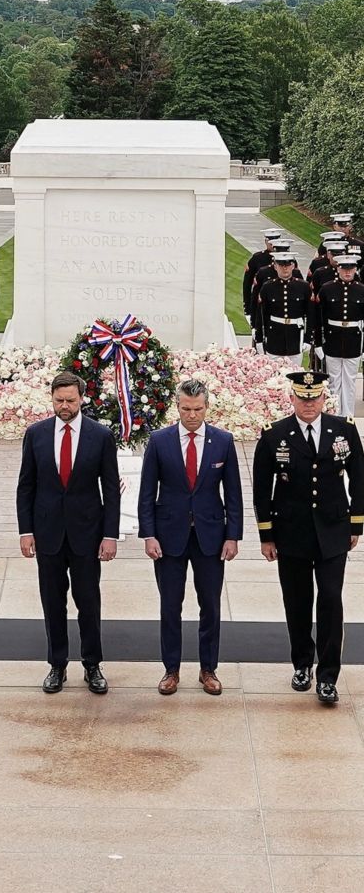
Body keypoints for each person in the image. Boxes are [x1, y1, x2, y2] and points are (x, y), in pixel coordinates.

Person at [252, 370, 364, 704]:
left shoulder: (344, 430)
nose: (309, 404)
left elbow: (359, 478)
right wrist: (267, 535)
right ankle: (302, 664)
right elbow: (262, 490)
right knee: (297, 602)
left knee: (330, 599)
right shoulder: (274, 434)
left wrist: (356, 525)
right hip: (292, 533)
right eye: (302, 398)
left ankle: (328, 676)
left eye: (315, 398)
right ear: (292, 398)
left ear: (324, 398)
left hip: (333, 531)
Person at [16, 370, 121, 695]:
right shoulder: (35, 434)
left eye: (70, 401)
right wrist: (25, 530)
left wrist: (110, 535)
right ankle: (57, 664)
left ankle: (92, 664)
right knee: (52, 601)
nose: (65, 406)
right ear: (52, 398)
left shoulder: (100, 436)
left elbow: (111, 489)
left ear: (81, 399)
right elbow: (26, 486)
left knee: (88, 601)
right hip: (47, 533)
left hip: (86, 534)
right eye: (59, 400)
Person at [137, 378, 243, 697]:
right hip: (169, 537)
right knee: (170, 605)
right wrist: (149, 534)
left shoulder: (223, 441)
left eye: (198, 409)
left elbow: (234, 493)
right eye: (186, 409)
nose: (192, 415)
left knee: (210, 605)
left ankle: (208, 669)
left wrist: (233, 535)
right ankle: (171, 669)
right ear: (177, 407)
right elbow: (146, 493)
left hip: (211, 537)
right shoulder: (159, 441)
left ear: (207, 407)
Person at [314, 253, 364, 415]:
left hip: (354, 340)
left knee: (350, 381)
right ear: (338, 269)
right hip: (332, 339)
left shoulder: (361, 290)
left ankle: (347, 417)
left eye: (351, 268)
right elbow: (319, 319)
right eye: (344, 268)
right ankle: (334, 415)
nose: (347, 272)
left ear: (355, 269)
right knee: (333, 381)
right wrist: (318, 343)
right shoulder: (327, 289)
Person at [255, 252, 314, 366]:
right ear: (275, 266)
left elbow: (310, 315)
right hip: (274, 338)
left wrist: (308, 339)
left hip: (295, 337)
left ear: (293, 266)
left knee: (294, 373)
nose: (285, 268)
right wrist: (259, 339)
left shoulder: (303, 287)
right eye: (281, 265)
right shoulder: (267, 287)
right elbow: (261, 315)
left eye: (288, 265)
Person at [242, 227, 282, 323]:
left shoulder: (288, 260)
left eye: (275, 241)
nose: (272, 244)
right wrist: (247, 306)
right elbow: (247, 283)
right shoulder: (257, 258)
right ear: (265, 241)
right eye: (270, 241)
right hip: (261, 303)